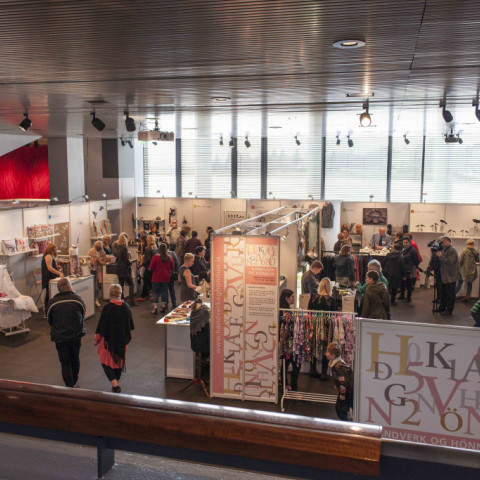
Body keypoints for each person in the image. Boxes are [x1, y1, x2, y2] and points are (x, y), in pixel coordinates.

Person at [94, 284, 134, 393]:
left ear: (110, 294)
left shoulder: (107, 308)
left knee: (105, 362)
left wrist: (97, 338)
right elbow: (130, 326)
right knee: (118, 362)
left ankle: (115, 385)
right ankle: (117, 381)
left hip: (108, 342)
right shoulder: (126, 307)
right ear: (120, 293)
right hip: (122, 341)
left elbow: (101, 326)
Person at [47, 277, 86, 388]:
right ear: (69, 287)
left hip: (60, 337)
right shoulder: (78, 300)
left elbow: (49, 320)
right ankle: (74, 381)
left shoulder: (52, 302)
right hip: (75, 336)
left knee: (65, 363)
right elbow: (83, 315)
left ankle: (69, 386)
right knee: (75, 358)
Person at [279, 289, 300, 391]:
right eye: (292, 297)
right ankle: (290, 386)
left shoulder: (284, 310)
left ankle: (286, 385)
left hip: (288, 343)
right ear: (286, 298)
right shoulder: (284, 312)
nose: (294, 299)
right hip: (288, 343)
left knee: (286, 364)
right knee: (293, 364)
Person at [325, 343, 353, 421]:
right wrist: (337, 384)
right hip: (346, 390)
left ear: (333, 355)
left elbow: (344, 382)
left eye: (328, 352)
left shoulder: (338, 366)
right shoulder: (338, 364)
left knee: (340, 409)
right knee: (341, 408)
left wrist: (342, 394)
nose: (326, 354)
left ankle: (346, 424)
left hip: (347, 391)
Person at [436, 236, 460, 316]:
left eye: (444, 241)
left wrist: (440, 256)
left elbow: (450, 261)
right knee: (443, 293)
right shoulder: (444, 249)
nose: (443, 242)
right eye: (442, 241)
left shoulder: (452, 250)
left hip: (450, 276)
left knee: (450, 294)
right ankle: (442, 307)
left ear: (449, 241)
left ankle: (449, 310)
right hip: (445, 275)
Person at [149, 243, 174, 315]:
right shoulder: (169, 257)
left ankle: (155, 308)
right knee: (164, 292)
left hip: (156, 277)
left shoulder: (155, 257)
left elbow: (151, 267)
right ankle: (163, 306)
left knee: (155, 292)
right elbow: (172, 267)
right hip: (165, 277)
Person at [115, 234, 137, 307]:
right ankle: (132, 301)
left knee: (121, 284)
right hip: (124, 269)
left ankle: (122, 300)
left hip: (119, 269)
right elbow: (126, 260)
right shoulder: (124, 248)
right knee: (131, 284)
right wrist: (130, 263)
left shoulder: (118, 247)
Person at [42, 243, 64, 308]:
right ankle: (47, 309)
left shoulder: (49, 256)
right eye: (54, 250)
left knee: (49, 293)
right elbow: (49, 268)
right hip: (49, 277)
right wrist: (59, 273)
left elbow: (50, 266)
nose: (55, 251)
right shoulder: (48, 256)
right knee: (49, 294)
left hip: (50, 277)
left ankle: (48, 308)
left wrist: (56, 267)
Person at [137, 235, 158, 301]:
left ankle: (143, 296)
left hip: (148, 267)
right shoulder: (155, 247)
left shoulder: (148, 248)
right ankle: (152, 295)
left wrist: (142, 264)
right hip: (153, 267)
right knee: (151, 282)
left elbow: (148, 259)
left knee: (145, 281)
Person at [87, 240, 107, 307]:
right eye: (96, 247)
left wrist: (99, 261)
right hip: (91, 270)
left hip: (98, 271)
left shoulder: (103, 252)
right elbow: (87, 260)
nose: (97, 249)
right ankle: (91, 299)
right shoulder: (90, 251)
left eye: (98, 248)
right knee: (91, 285)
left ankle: (96, 299)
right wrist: (92, 261)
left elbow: (105, 262)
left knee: (96, 286)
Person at [400, 236, 420, 303]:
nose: (405, 244)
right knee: (402, 283)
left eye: (406, 242)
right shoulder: (403, 249)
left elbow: (417, 261)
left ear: (409, 242)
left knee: (409, 284)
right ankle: (402, 295)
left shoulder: (413, 251)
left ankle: (408, 298)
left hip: (410, 269)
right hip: (404, 268)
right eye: (404, 242)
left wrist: (413, 266)